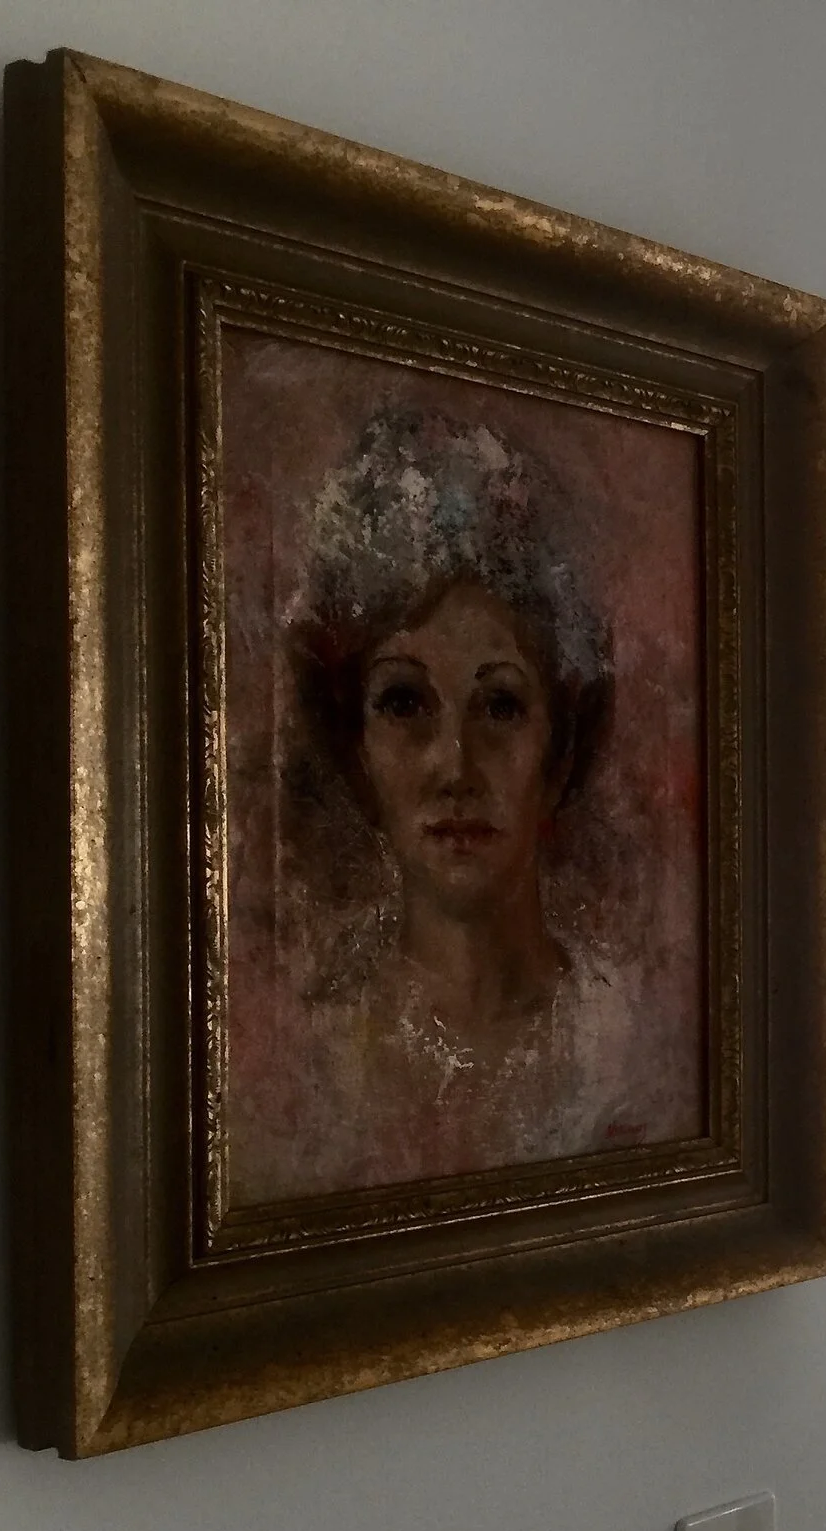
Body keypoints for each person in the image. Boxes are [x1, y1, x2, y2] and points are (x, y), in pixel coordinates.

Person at [238, 407, 667, 1200]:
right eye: (404, 702)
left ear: (561, 747)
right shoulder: (306, 1049)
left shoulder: (630, 1039)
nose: (455, 765)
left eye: (500, 705)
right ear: (355, 749)